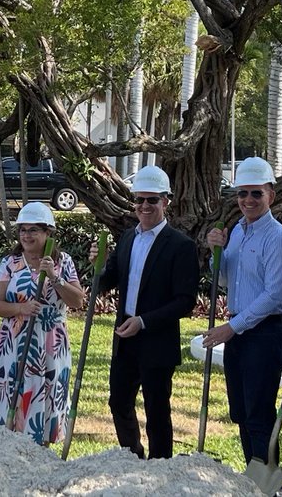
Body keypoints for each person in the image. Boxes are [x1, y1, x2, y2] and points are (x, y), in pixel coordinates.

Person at [89, 165, 200, 459]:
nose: (144, 206)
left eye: (152, 200)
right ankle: (132, 456)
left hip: (156, 337)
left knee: (157, 409)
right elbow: (109, 278)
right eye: (139, 200)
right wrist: (97, 268)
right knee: (118, 402)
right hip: (125, 335)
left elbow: (185, 301)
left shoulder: (181, 246)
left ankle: (161, 467)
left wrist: (144, 322)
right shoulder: (127, 238)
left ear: (166, 201)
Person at [202, 156, 282, 464]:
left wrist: (231, 328)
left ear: (271, 194)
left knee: (258, 413)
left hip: (267, 331)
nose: (248, 199)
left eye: (256, 193)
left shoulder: (279, 238)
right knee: (242, 412)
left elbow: (274, 294)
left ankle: (266, 483)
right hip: (241, 330)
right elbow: (224, 278)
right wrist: (214, 251)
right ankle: (253, 476)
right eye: (242, 193)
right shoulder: (239, 232)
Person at [0, 201, 84, 443]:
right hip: (15, 342)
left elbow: (78, 301)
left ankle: (43, 448)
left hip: (50, 342)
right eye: (22, 230)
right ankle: (9, 444)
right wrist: (21, 308)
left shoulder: (63, 262)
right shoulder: (11, 263)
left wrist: (54, 277)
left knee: (47, 392)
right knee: (13, 392)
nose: (26, 235)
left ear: (48, 232)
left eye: (33, 230)